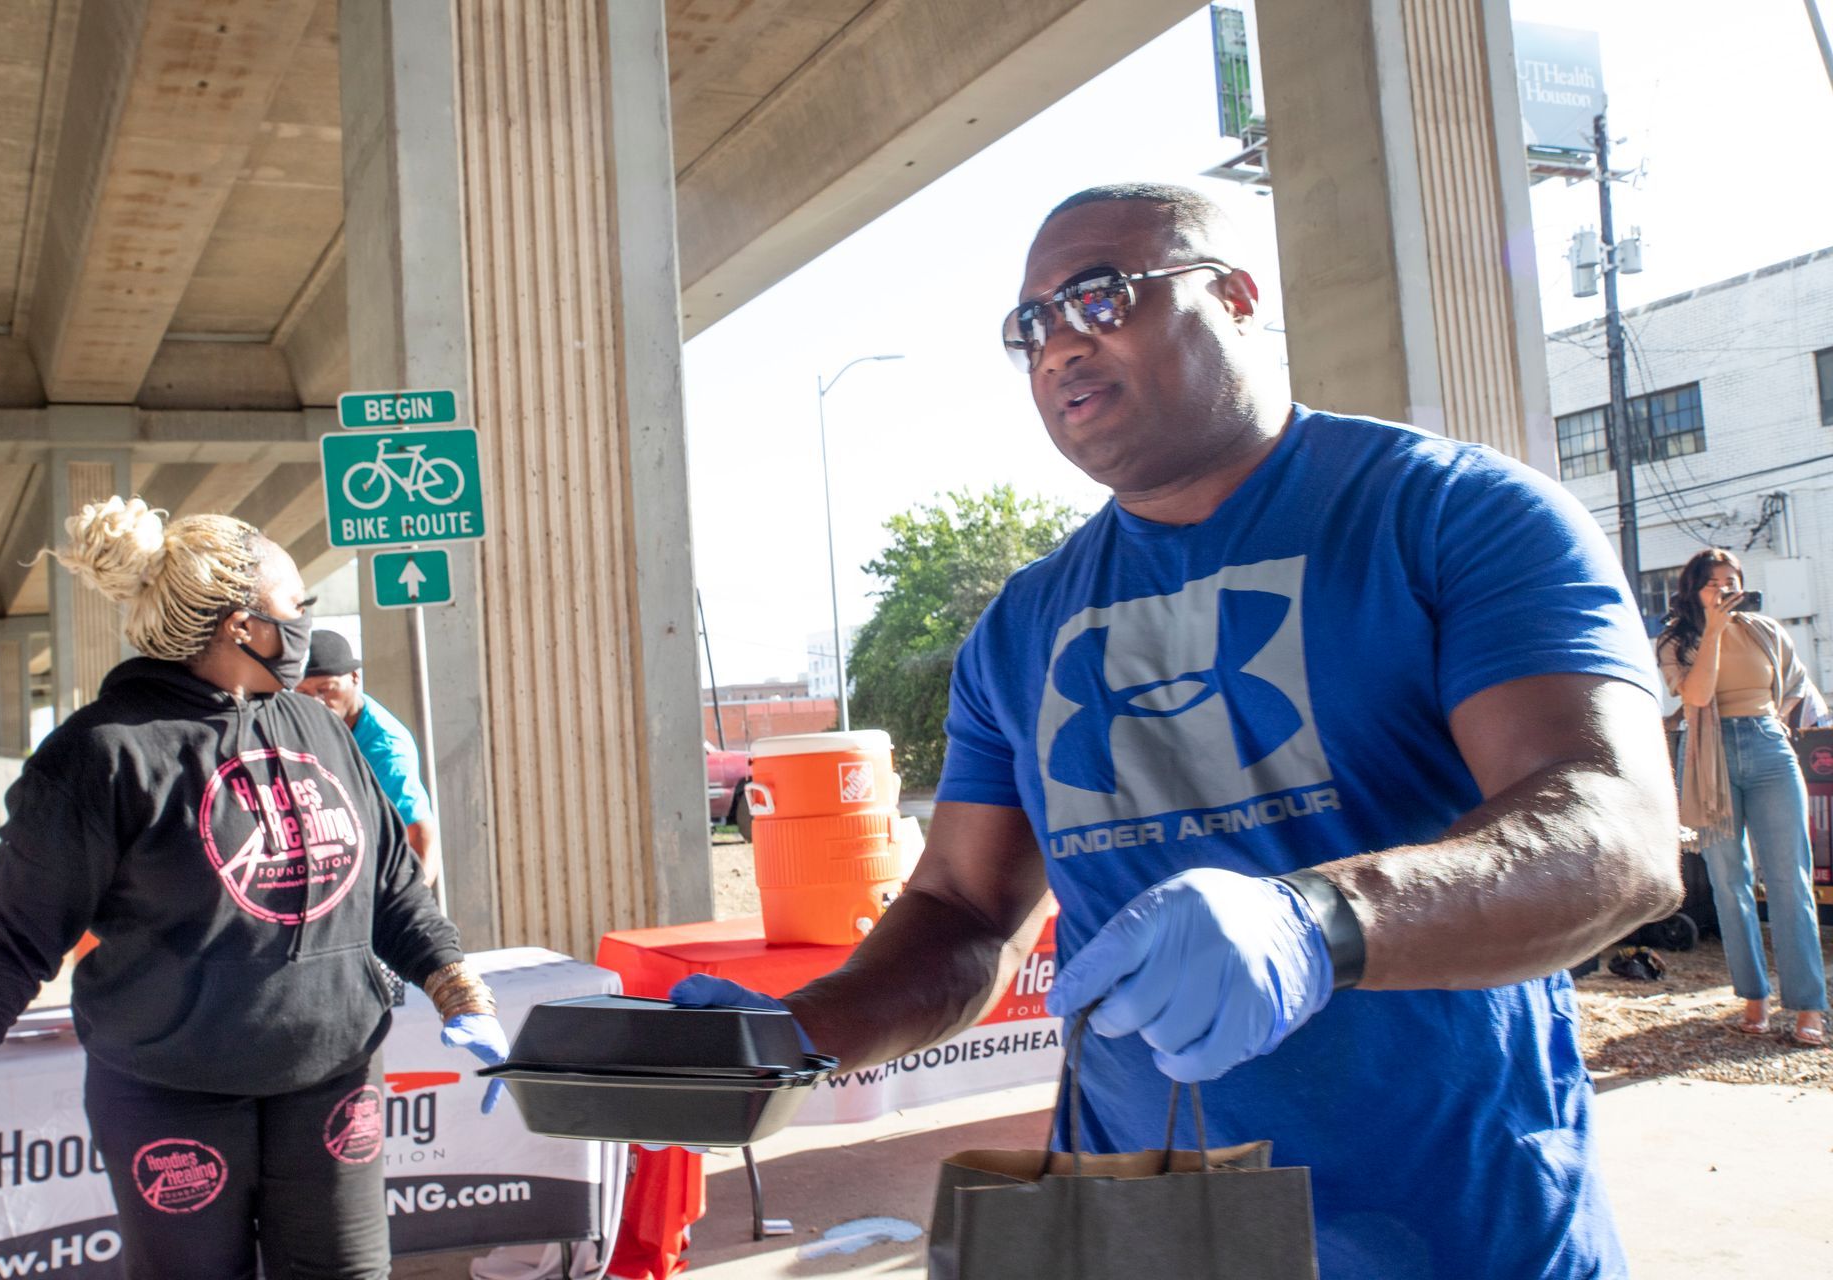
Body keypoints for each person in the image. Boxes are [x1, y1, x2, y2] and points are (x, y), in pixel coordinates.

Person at [674, 184, 1682, 1278]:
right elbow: (963, 908)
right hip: (1132, 1231)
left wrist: (1317, 923)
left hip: (1450, 1227)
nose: (1060, 342)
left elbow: (1616, 830)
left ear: (1239, 297)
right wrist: (792, 1038)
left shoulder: (1452, 515)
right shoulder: (1024, 624)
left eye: (1100, 297)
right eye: (1031, 325)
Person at [0, 497, 510, 1278]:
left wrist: (460, 988)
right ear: (241, 625)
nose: (303, 625)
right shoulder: (101, 757)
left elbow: (391, 882)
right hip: (172, 1094)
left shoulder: (319, 728)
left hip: (332, 1079)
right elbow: (8, 940)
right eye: (295, 607)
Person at [1657, 547, 1828, 1046]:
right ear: (1695, 588)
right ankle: (1755, 999)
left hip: (1768, 746)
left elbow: (1797, 685)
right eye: (1716, 582)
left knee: (1790, 880)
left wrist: (1775, 718)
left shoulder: (1764, 629)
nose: (1727, 590)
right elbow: (1697, 696)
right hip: (1709, 755)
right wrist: (1712, 628)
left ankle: (1808, 1006)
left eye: (1733, 581)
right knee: (1731, 882)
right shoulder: (1677, 639)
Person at [297, 631, 442, 888]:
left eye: (326, 690)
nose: (315, 702)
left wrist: (409, 912)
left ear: (354, 678)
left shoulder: (385, 747)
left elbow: (420, 836)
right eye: (303, 692)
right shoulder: (302, 723)